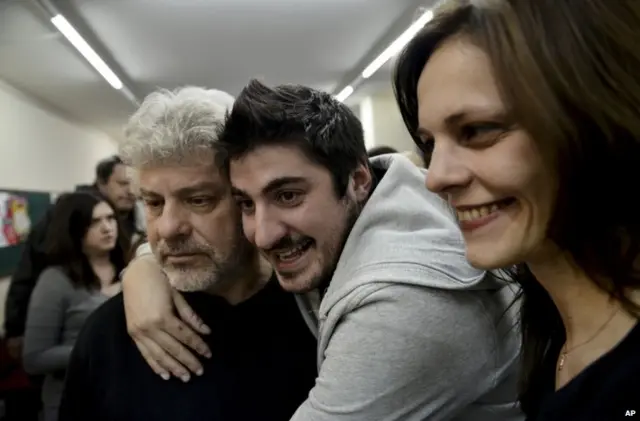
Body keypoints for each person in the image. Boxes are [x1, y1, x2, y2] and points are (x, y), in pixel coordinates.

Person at [121, 80, 524, 420]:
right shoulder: (370, 211)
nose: (263, 235)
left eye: (289, 195)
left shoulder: (406, 305)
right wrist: (143, 265)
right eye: (246, 202)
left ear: (358, 180)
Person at [392, 0, 640, 419]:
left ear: (591, 118)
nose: (435, 178)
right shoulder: (547, 328)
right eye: (430, 145)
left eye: (477, 131)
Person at [58, 87, 317, 421]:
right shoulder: (108, 335)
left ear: (247, 200)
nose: (167, 229)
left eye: (198, 200)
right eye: (153, 203)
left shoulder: (318, 312)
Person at [3, 156, 142, 359]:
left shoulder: (130, 217)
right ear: (101, 183)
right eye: (122, 184)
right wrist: (15, 327)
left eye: (133, 184)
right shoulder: (66, 214)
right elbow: (29, 268)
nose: (131, 191)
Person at [22, 192, 127, 421]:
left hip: (123, 395)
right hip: (74, 401)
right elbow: (35, 357)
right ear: (75, 230)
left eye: (110, 218)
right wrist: (99, 348)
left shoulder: (131, 270)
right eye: (94, 222)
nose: (107, 228)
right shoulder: (56, 280)